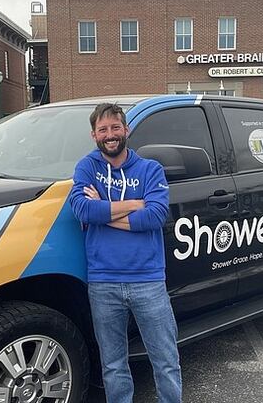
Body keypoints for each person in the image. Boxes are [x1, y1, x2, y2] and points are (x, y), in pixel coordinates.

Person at [68, 102, 182, 403]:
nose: (110, 134)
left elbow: (156, 216)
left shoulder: (150, 169)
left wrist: (102, 212)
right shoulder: (87, 167)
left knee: (166, 361)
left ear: (126, 130)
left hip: (148, 280)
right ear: (94, 135)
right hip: (103, 282)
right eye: (103, 129)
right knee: (113, 365)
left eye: (115, 127)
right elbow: (80, 208)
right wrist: (133, 204)